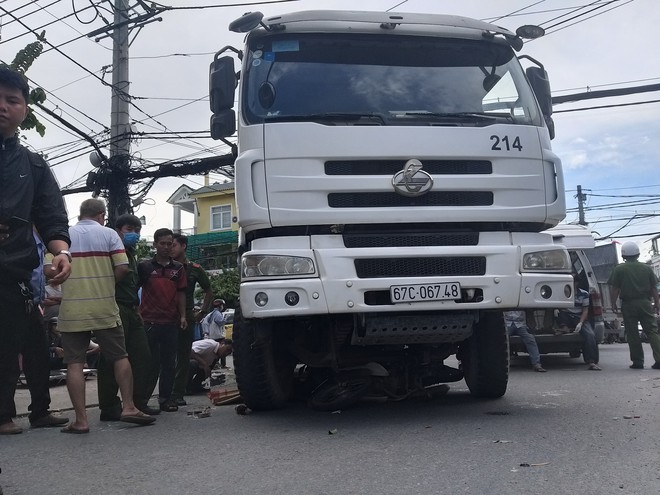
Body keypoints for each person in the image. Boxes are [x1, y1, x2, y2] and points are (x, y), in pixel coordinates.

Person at [0, 67, 72, 435]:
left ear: (24, 110)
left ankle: (39, 410)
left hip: (19, 277)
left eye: (12, 100)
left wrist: (61, 252)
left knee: (34, 350)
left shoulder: (34, 164)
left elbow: (51, 215)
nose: (3, 107)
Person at [58, 199, 155, 433]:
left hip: (73, 309)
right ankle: (129, 407)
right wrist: (104, 282)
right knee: (120, 356)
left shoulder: (64, 237)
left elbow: (51, 270)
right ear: (101, 215)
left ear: (80, 214)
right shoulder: (109, 234)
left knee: (75, 364)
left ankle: (81, 421)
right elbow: (122, 268)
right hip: (104, 306)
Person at [96, 214, 160, 420]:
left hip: (132, 310)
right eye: (128, 228)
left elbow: (134, 286)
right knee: (111, 359)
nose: (133, 233)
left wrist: (138, 310)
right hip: (114, 308)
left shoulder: (130, 254)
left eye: (137, 229)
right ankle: (109, 406)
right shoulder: (110, 252)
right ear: (117, 230)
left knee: (143, 357)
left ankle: (136, 402)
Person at [137, 228, 187, 412]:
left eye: (170, 244)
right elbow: (134, 290)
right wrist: (138, 314)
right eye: (162, 243)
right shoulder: (144, 267)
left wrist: (182, 316)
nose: (166, 247)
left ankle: (166, 400)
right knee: (148, 363)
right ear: (155, 244)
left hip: (170, 323)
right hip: (149, 322)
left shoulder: (178, 269)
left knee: (169, 364)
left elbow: (181, 293)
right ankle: (141, 401)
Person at [170, 233, 213, 406]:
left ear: (183, 246)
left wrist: (202, 312)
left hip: (187, 314)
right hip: (165, 314)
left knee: (183, 355)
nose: (170, 248)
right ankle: (164, 392)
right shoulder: (163, 266)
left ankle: (177, 393)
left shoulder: (195, 269)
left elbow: (209, 291)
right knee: (162, 354)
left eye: (173, 245)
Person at [608, 241, 660, 370]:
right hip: (645, 303)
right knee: (652, 331)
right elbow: (654, 288)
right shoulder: (647, 268)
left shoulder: (619, 269)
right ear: (638, 254)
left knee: (632, 333)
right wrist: (657, 303)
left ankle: (638, 362)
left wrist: (613, 303)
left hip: (628, 304)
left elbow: (615, 289)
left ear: (624, 255)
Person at [557, 276, 601, 370]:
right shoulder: (561, 293)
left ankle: (591, 362)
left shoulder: (584, 294)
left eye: (574, 282)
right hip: (565, 315)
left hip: (579, 316)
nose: (572, 284)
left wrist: (580, 322)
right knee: (561, 315)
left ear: (577, 283)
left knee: (590, 335)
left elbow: (585, 311)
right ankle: (564, 328)